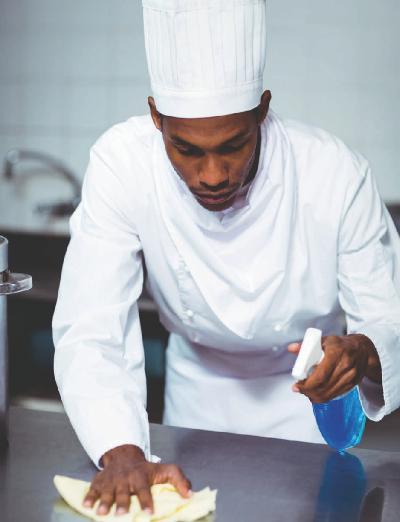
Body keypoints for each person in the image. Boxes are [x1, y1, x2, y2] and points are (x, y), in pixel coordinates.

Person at [52, 0, 400, 516]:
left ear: (262, 110)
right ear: (156, 117)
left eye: (234, 145)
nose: (213, 175)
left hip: (305, 409)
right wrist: (120, 452)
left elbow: (389, 315)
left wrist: (361, 350)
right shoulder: (121, 164)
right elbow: (91, 328)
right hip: (196, 400)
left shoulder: (334, 172)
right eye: (186, 149)